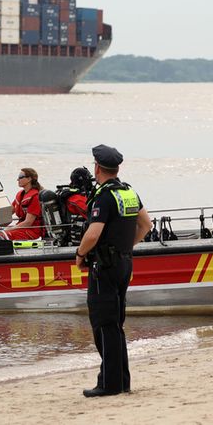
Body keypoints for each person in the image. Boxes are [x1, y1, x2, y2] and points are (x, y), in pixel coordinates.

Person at [75, 145, 152, 398]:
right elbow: (146, 224)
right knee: (116, 324)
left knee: (104, 325)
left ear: (97, 167)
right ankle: (121, 381)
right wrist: (126, 248)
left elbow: (93, 233)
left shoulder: (103, 196)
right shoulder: (128, 191)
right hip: (124, 264)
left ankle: (109, 384)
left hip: (104, 267)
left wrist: (80, 255)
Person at [5, 168, 43, 240]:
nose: (18, 179)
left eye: (20, 177)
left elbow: (28, 222)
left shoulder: (35, 197)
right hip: (21, 228)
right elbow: (8, 213)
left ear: (29, 179)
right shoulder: (20, 194)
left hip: (32, 231)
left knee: (4, 235)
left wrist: (8, 229)